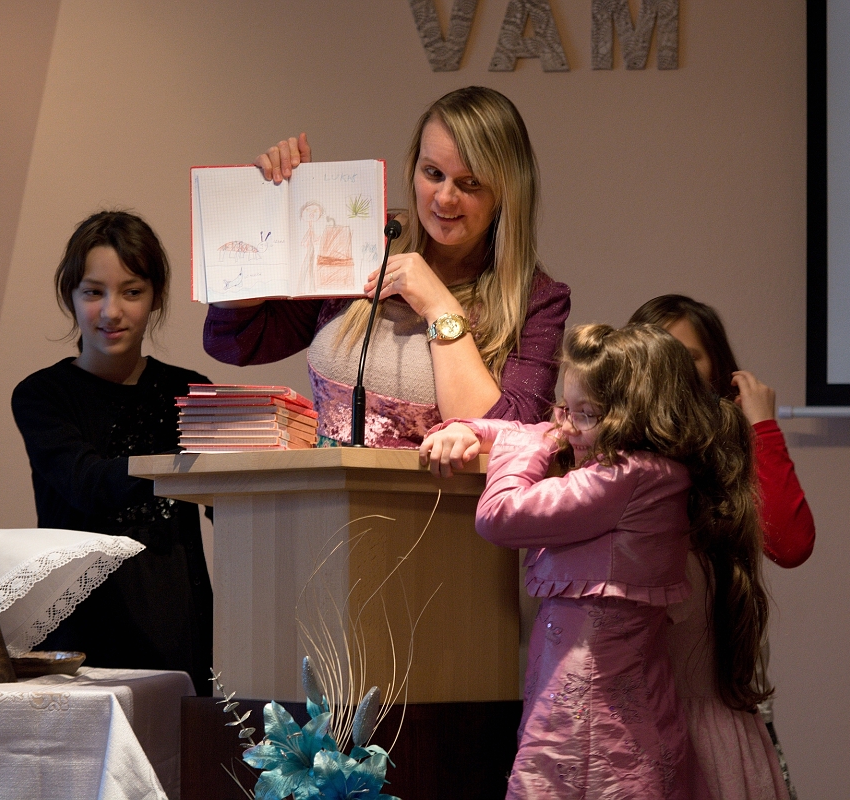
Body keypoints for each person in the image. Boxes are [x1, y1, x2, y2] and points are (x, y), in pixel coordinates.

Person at [419, 323, 769, 799]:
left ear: (636, 415)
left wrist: (527, 449)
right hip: (602, 713)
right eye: (565, 408)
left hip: (585, 721)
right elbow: (538, 430)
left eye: (584, 414)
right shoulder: (651, 470)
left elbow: (499, 515)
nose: (566, 427)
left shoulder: (625, 476)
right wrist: (470, 428)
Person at [204, 86, 571, 446]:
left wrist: (439, 306)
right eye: (433, 173)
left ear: (507, 189)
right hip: (325, 485)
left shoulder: (535, 301)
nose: (445, 197)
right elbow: (236, 343)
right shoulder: (368, 242)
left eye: (470, 182)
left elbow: (511, 436)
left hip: (434, 489)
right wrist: (268, 207)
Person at [11, 210, 213, 694]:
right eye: (93, 292)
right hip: (77, 638)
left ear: (156, 296)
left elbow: (229, 506)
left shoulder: (192, 394)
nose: (111, 312)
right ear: (70, 295)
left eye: (132, 292)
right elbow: (88, 484)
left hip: (180, 629)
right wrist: (181, 460)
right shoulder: (42, 395)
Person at [630, 294, 816, 799]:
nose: (674, 369)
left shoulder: (728, 458)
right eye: (660, 352)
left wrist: (761, 427)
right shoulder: (611, 452)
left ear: (718, 372)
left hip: (712, 715)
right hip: (632, 717)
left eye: (689, 357)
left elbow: (791, 544)